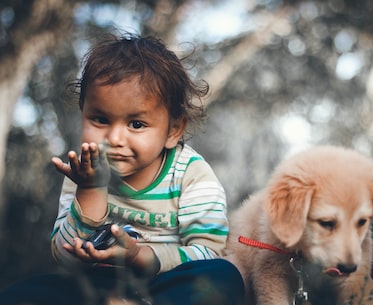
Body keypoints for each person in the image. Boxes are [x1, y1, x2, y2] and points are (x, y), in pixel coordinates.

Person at [0, 33, 244, 305]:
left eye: (136, 124)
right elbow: (64, 256)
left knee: (224, 276)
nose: (114, 138)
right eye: (101, 119)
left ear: (173, 130)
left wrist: (142, 256)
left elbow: (208, 251)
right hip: (96, 284)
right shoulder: (84, 171)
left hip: (166, 284)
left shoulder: (190, 174)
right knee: (22, 294)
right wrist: (90, 190)